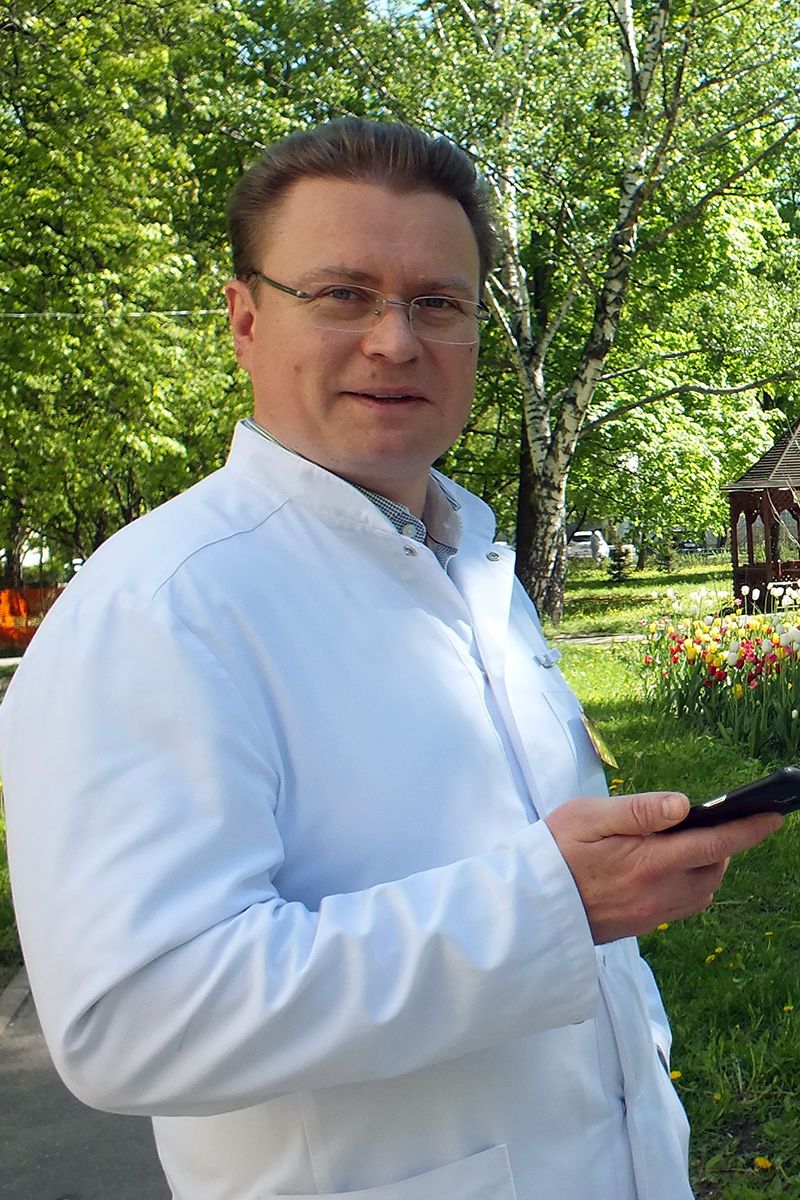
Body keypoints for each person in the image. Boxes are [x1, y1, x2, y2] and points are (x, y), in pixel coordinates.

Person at [0, 118, 781, 1200]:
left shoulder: (474, 566)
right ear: (244, 320)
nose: (395, 341)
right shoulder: (161, 606)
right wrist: (548, 908)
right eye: (342, 294)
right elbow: (131, 1020)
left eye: (438, 303)